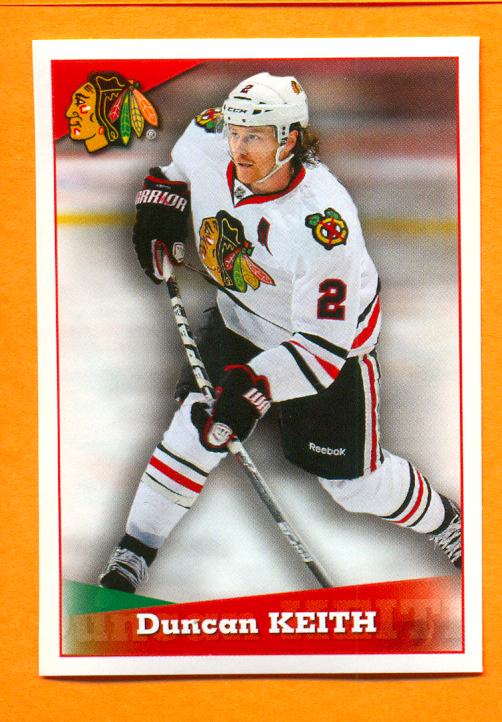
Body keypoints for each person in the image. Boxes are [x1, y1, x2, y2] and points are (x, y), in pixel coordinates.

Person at [99, 72, 461, 594]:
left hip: (329, 349)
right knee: (197, 426)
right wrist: (158, 212)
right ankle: (132, 555)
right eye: (235, 133)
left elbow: (321, 352)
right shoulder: (209, 135)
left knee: (354, 488)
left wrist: (255, 388)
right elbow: (172, 177)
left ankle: (447, 522)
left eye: (255, 137)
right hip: (240, 317)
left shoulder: (323, 225)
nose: (238, 148)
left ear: (289, 140)